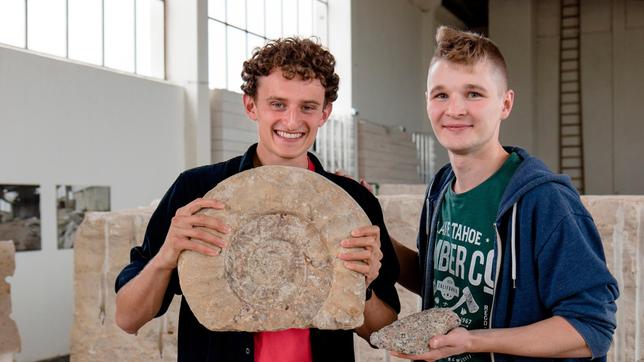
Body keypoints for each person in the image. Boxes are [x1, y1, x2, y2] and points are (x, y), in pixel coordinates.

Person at [114, 37, 400, 361]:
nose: (292, 121)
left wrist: (362, 283)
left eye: (307, 107)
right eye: (278, 104)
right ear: (251, 105)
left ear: (325, 112)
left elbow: (383, 332)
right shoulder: (195, 190)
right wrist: (167, 255)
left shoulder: (352, 201)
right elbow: (127, 318)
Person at [390, 26, 619, 361]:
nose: (454, 109)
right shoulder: (440, 187)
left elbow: (591, 328)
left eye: (473, 94)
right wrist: (376, 236)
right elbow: (438, 280)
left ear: (505, 103)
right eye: (441, 94)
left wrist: (474, 341)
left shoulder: (543, 200)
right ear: (427, 101)